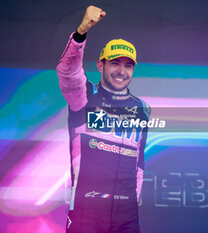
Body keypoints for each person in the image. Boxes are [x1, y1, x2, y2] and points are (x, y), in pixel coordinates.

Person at [56, 5, 150, 233]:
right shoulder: (85, 96)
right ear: (101, 65)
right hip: (87, 209)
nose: (122, 71)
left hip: (126, 214)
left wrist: (133, 205)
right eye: (115, 63)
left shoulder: (142, 109)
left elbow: (139, 165)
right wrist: (80, 34)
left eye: (128, 65)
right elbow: (67, 72)